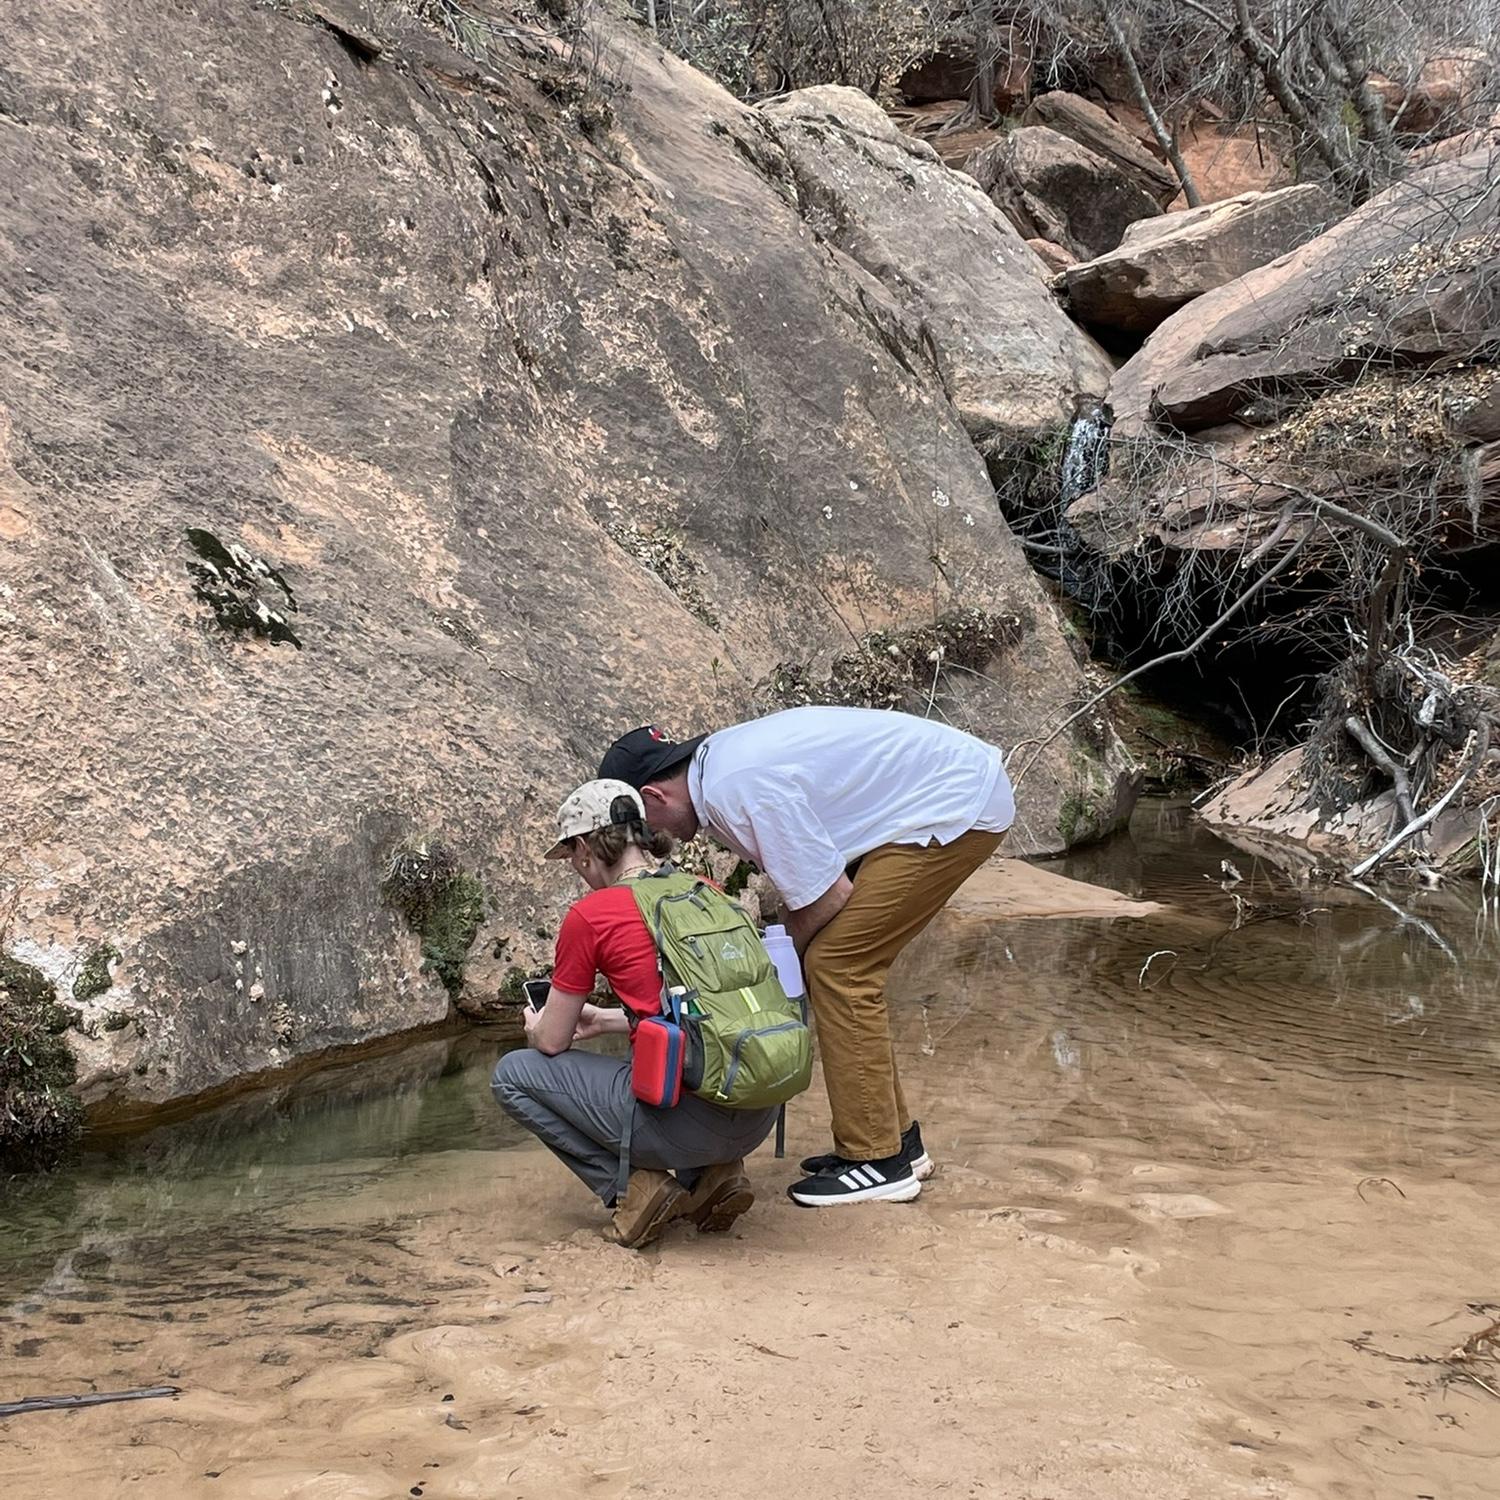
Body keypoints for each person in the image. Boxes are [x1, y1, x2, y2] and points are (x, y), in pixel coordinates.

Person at [598, 707, 1013, 1207]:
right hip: (940, 798)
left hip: (955, 803)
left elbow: (826, 896)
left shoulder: (737, 787)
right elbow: (813, 886)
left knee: (840, 968)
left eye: (646, 829)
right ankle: (896, 1141)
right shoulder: (719, 772)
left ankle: (877, 1160)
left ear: (653, 795)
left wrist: (768, 970)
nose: (652, 843)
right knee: (835, 962)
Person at [491, 779, 776, 1248]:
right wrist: (605, 1020)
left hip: (686, 1127)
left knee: (512, 1075)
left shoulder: (593, 915)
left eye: (571, 855)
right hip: (756, 1112)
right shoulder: (705, 891)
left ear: (585, 848)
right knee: (651, 1060)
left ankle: (634, 1190)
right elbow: (702, 1015)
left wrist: (536, 1027)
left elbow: (552, 1042)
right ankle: (715, 1175)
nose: (576, 868)